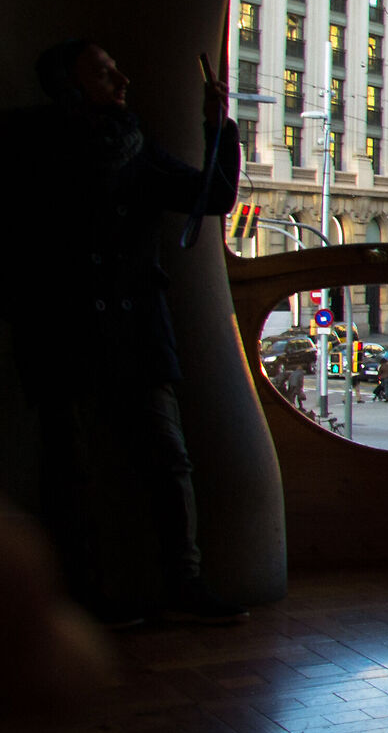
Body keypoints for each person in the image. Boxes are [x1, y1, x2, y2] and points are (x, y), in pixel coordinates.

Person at [4, 39, 245, 625]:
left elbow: (210, 196)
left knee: (167, 457)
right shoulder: (25, 141)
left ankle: (183, 585)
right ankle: (85, 594)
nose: (123, 81)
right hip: (59, 325)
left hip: (134, 323)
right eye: (105, 72)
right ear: (68, 82)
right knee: (71, 467)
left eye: (118, 68)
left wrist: (220, 130)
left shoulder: (134, 145)